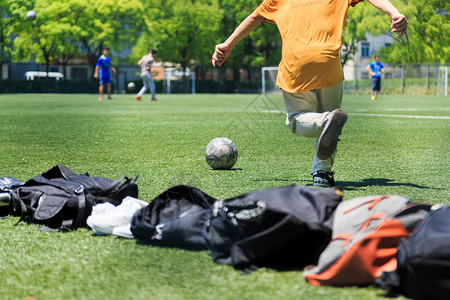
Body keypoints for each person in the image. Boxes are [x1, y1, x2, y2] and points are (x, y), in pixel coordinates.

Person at [212, 0, 407, 187]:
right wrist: (394, 13)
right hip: (329, 63)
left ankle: (325, 121)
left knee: (299, 120)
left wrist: (228, 44)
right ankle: (322, 172)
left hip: (297, 66)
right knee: (332, 128)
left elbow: (255, 17)